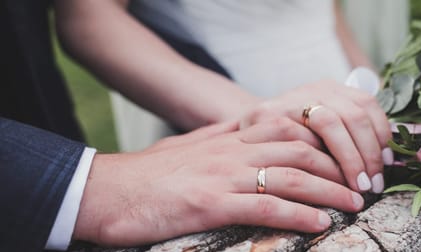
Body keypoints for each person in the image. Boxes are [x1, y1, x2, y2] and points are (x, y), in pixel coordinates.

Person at [53, 0, 393, 195]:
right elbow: (91, 20)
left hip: (335, 99)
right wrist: (260, 118)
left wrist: (379, 102)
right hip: (224, 108)